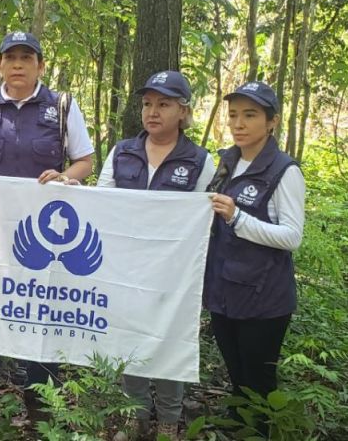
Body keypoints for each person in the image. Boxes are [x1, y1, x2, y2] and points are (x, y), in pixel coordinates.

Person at [0, 31, 94, 439]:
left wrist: (65, 179)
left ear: (40, 65)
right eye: (10, 57)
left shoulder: (62, 106)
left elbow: (84, 161)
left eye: (26, 57)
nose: (18, 64)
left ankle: (40, 407)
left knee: (42, 316)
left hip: (45, 238)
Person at [97, 71, 216, 441]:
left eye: (164, 104)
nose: (153, 111)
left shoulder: (200, 160)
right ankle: (135, 415)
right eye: (148, 103)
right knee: (129, 338)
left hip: (174, 274)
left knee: (169, 341)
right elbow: (101, 202)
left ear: (183, 112)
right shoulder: (122, 152)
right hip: (126, 268)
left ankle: (168, 420)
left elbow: (205, 221)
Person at [205, 81, 304, 436]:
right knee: (235, 374)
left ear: (272, 121)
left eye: (250, 115)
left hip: (264, 298)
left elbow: (292, 237)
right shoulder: (228, 161)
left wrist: (238, 218)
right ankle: (236, 425)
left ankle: (260, 431)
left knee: (258, 379)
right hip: (223, 290)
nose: (239, 123)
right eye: (233, 115)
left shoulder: (284, 170)